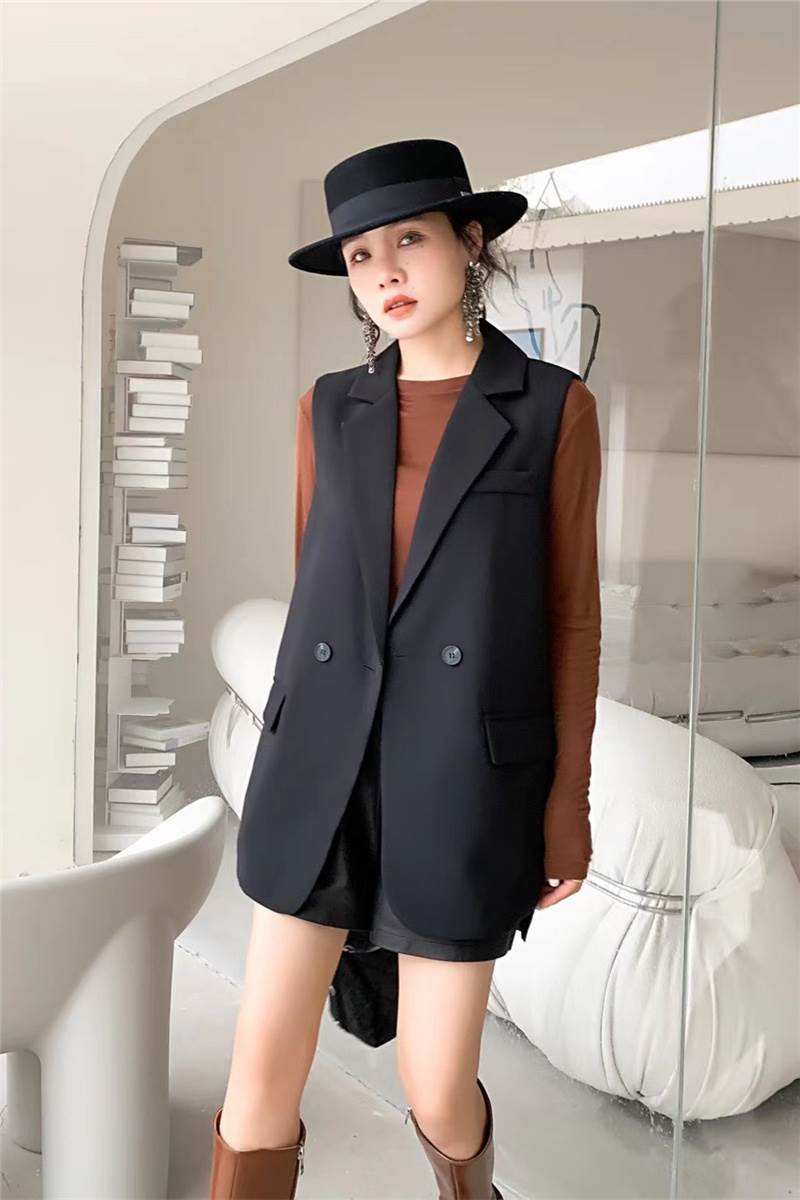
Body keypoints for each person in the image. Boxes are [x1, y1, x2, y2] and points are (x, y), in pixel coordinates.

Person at [209, 138, 602, 1200]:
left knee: (435, 1087)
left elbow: (570, 619)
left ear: (469, 243)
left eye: (408, 241)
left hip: (460, 778)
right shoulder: (327, 407)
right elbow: (318, 593)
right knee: (258, 1081)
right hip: (318, 771)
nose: (383, 273)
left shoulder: (551, 408)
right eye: (358, 256)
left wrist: (565, 803)